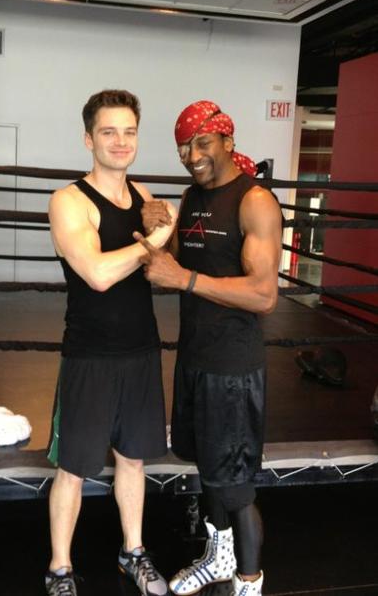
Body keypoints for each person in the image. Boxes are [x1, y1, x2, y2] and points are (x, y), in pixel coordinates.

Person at [135, 100, 282, 596]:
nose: (191, 154)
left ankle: (249, 581)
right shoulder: (193, 196)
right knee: (210, 472)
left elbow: (263, 295)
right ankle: (219, 559)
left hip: (234, 369)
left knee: (236, 488)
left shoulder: (253, 201)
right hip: (196, 358)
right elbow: (185, 258)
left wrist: (185, 278)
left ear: (227, 141)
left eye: (202, 142)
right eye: (183, 145)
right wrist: (165, 227)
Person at [45, 89, 176, 596]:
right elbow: (98, 274)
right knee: (74, 468)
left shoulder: (144, 199)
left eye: (129, 131)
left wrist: (170, 244)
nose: (120, 142)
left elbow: (161, 272)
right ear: (88, 139)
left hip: (141, 350)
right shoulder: (69, 201)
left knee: (134, 459)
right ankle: (59, 567)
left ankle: (134, 551)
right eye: (108, 132)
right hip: (90, 356)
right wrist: (153, 243)